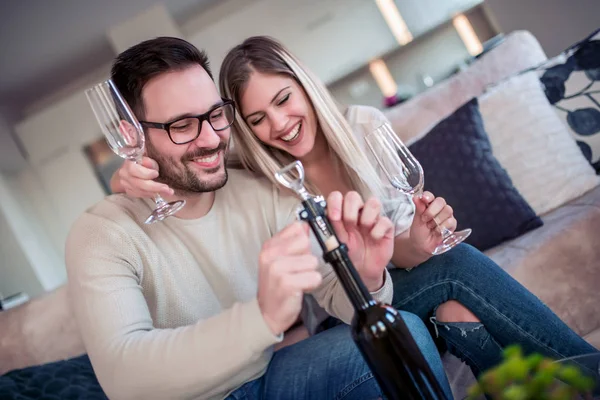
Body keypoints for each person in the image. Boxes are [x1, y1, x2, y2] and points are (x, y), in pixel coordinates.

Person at [111, 35, 599, 381]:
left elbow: (403, 256)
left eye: (284, 99)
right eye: (258, 118)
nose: (279, 124)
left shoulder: (362, 127)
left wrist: (420, 239)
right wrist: (127, 176)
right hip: (341, 315)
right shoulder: (257, 175)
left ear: (304, 86)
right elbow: (189, 169)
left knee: (455, 306)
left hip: (396, 290)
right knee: (454, 269)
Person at [68, 36, 453, 400]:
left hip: (271, 378)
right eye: (181, 125)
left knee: (405, 335)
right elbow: (124, 376)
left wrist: (365, 274)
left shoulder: (264, 192)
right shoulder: (101, 234)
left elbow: (337, 297)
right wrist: (262, 319)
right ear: (130, 134)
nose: (210, 139)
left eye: (215, 115)